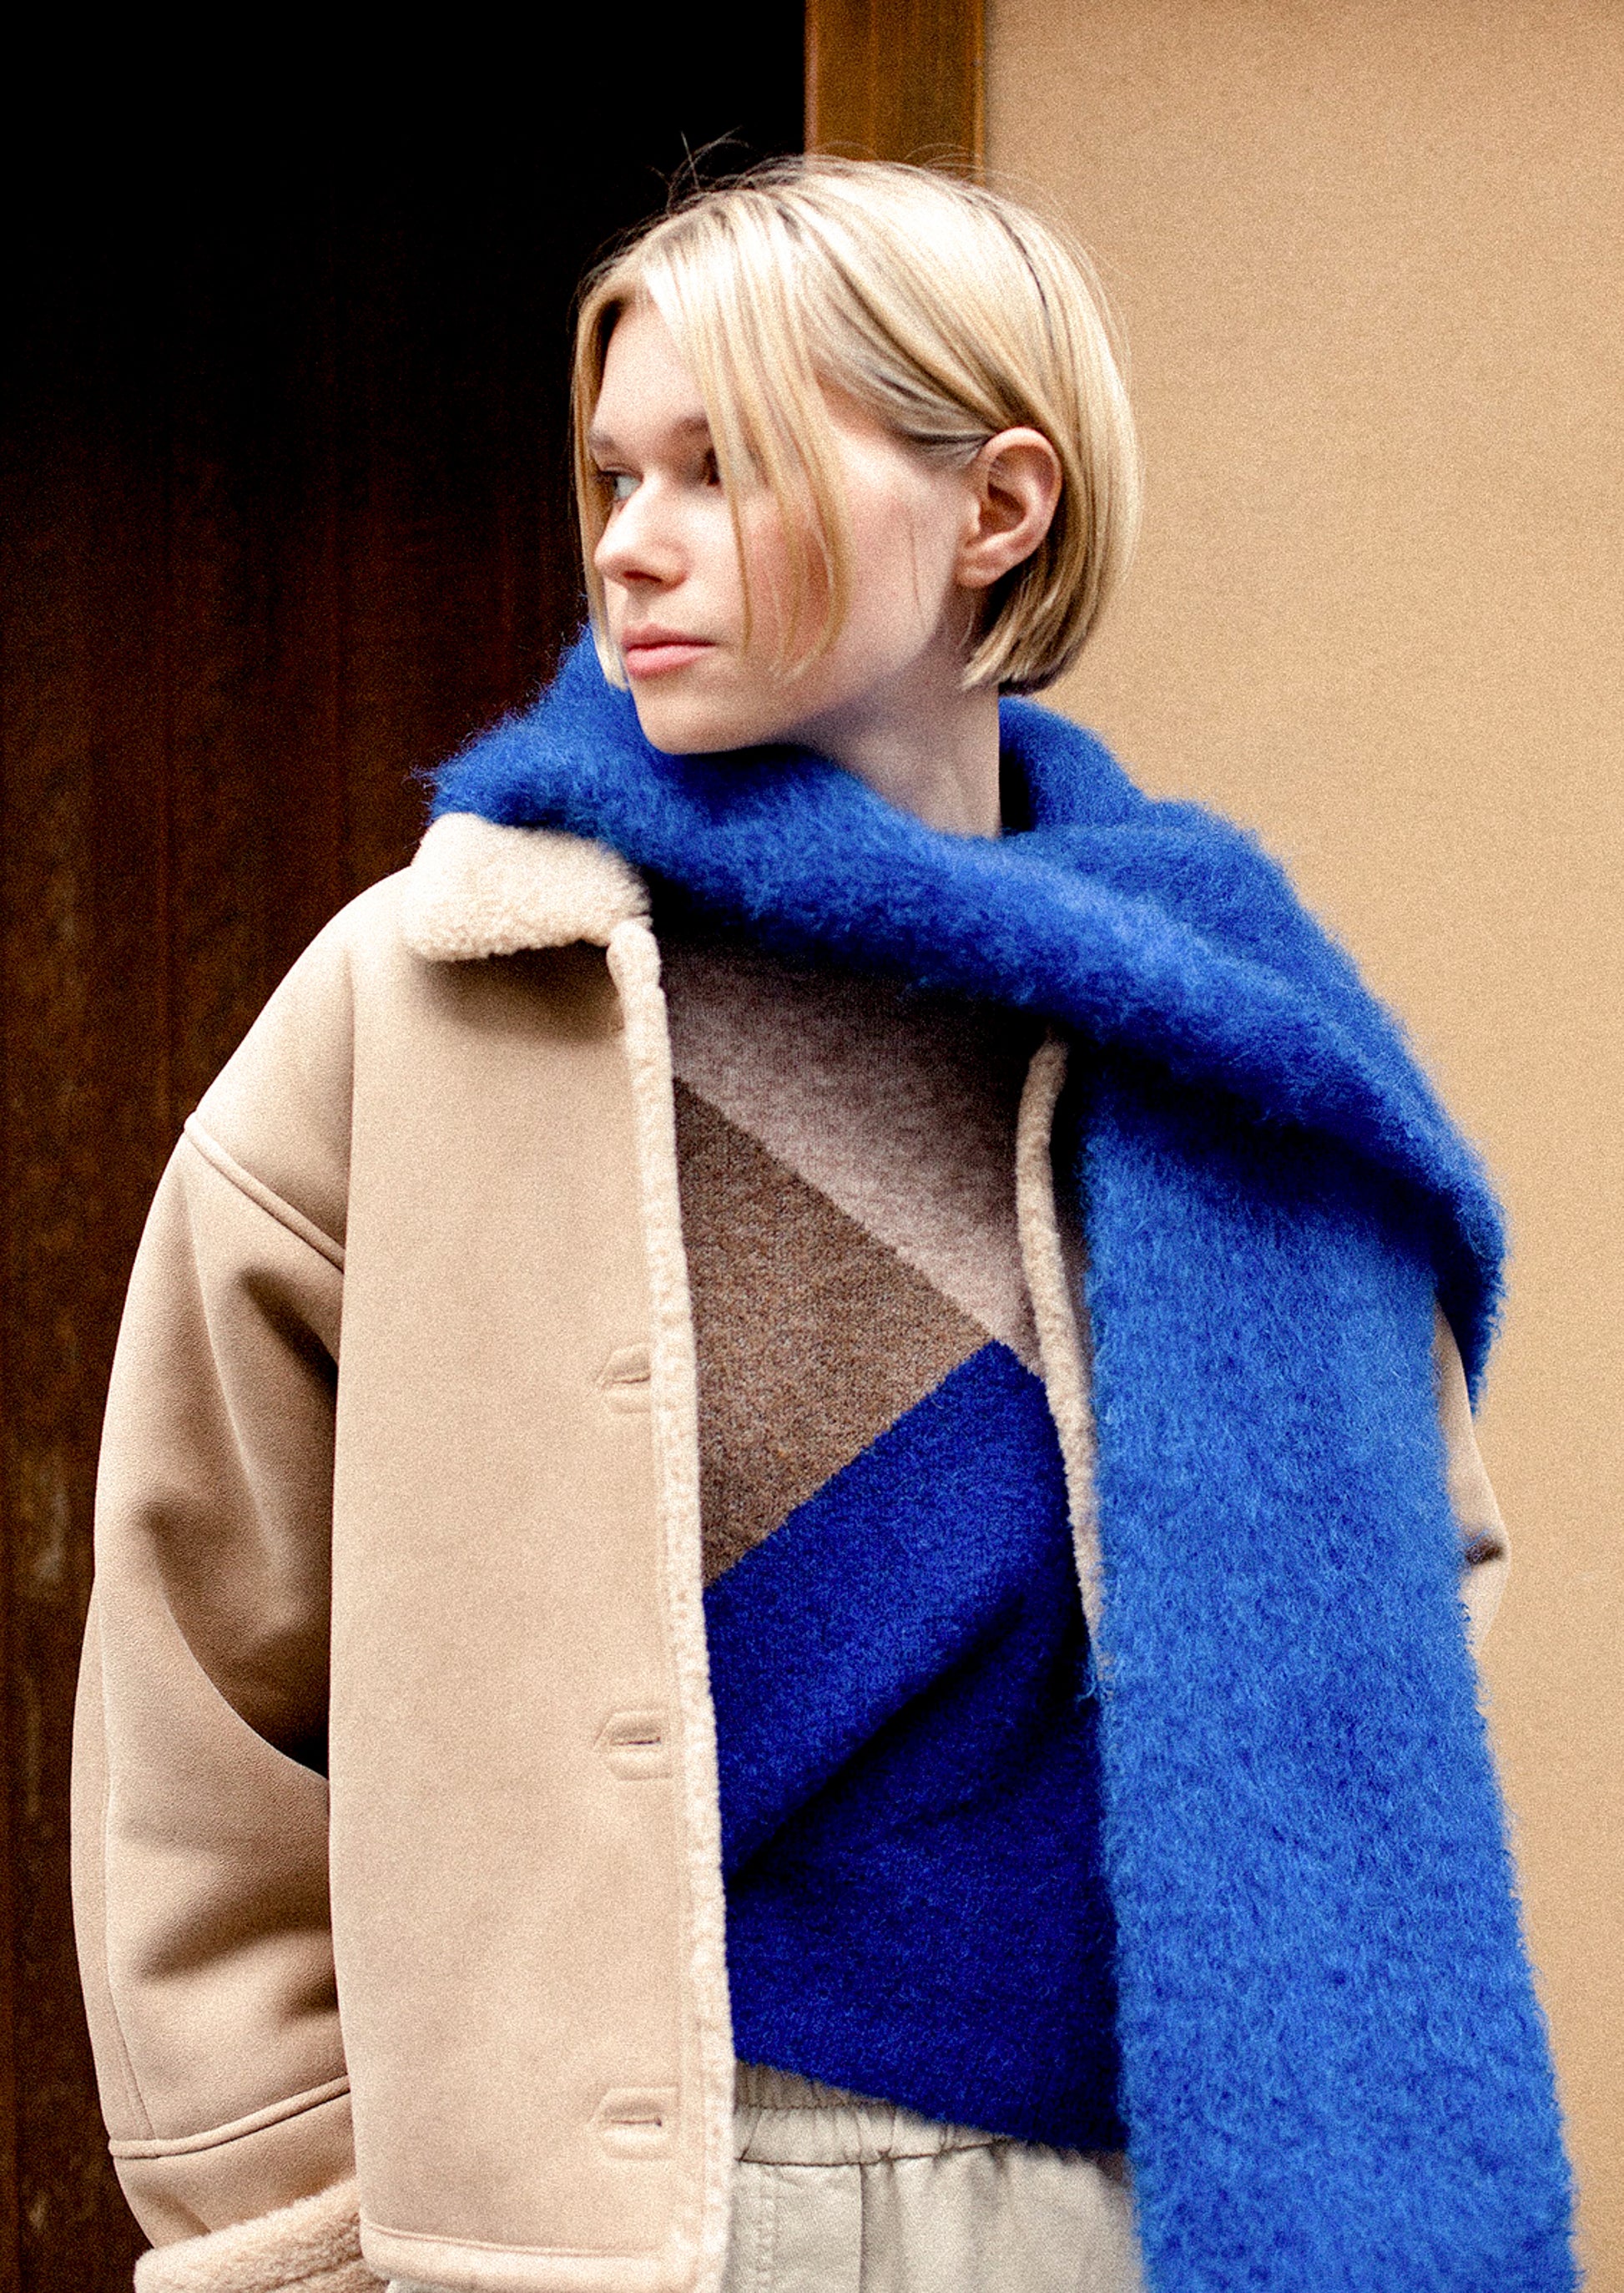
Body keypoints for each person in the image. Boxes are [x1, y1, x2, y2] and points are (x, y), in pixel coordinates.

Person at [71, 160, 1574, 2293]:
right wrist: (293, 2233)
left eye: (722, 465)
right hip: (578, 2239)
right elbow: (199, 1666)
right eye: (611, 470)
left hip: (1132, 2216)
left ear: (1000, 509)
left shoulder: (1221, 1032)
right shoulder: (434, 997)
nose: (628, 541)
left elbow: (1401, 1602)